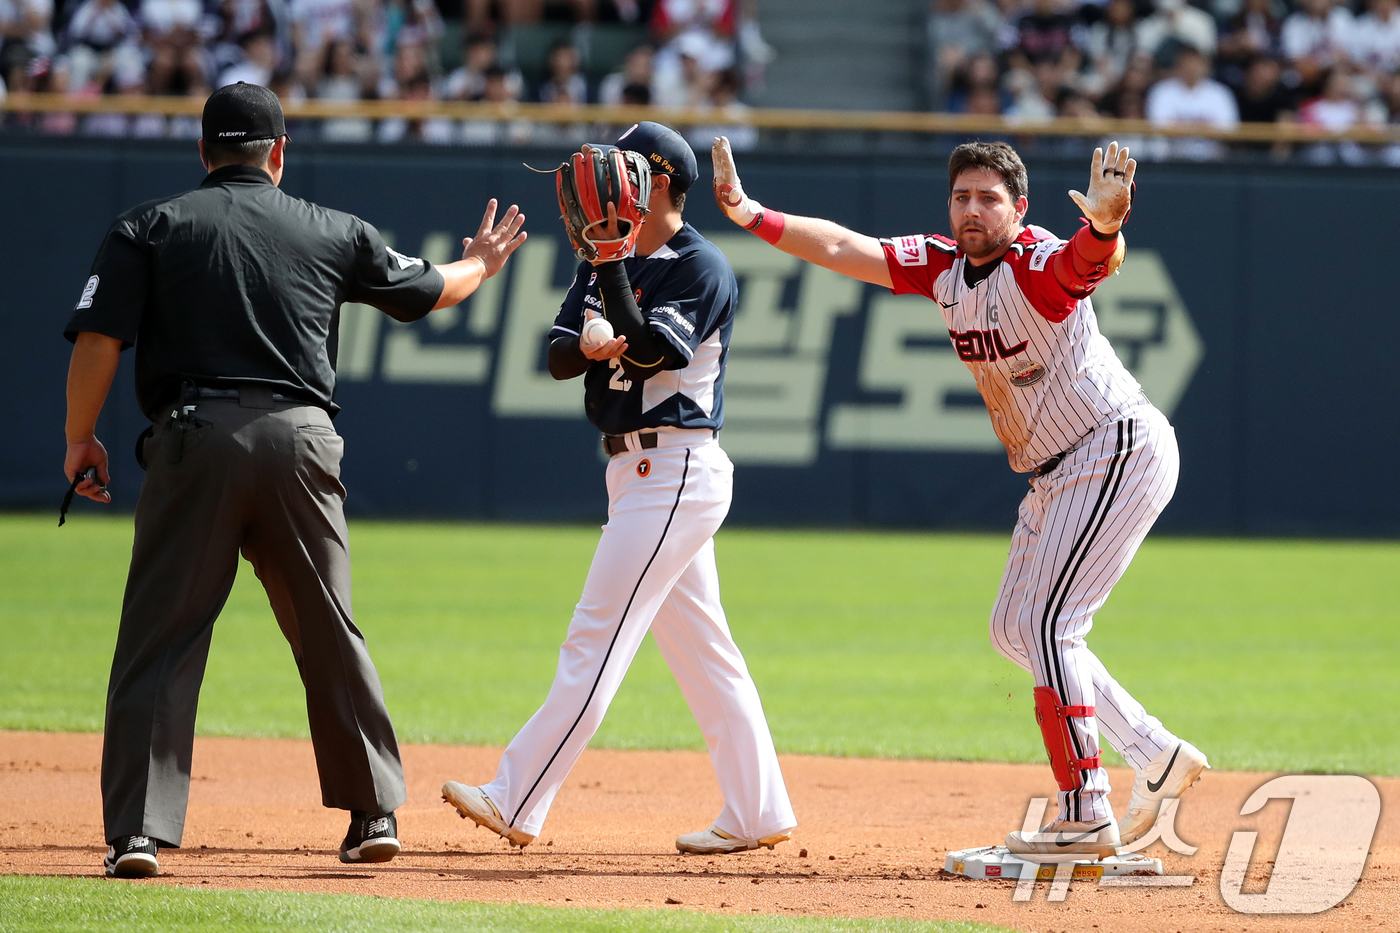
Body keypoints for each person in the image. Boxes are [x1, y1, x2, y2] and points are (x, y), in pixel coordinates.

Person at [61, 82, 527, 879]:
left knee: (161, 639)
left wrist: (80, 437)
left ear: (203, 152)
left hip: (192, 437)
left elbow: (101, 338)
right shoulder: (332, 228)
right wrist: (480, 264)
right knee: (327, 626)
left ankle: (138, 832)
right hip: (304, 445)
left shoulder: (150, 224)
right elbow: (428, 291)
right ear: (279, 154)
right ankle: (372, 810)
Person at [709, 136, 1209, 858]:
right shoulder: (944, 265)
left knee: (1047, 626)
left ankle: (1084, 811)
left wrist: (1102, 228)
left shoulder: (1034, 261)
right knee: (1017, 629)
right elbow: (848, 247)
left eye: (989, 197)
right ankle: (1157, 755)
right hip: (1059, 469)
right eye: (962, 197)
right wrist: (750, 211)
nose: (973, 209)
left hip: (1112, 448)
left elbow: (1081, 266)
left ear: (1021, 208)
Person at [442, 121, 797, 857]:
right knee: (706, 652)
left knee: (594, 639)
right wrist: (594, 320)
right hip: (635, 473)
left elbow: (655, 348)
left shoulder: (698, 265)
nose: (604, 178)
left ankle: (517, 796)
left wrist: (611, 297)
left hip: (675, 469)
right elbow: (557, 356)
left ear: (659, 181)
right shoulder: (608, 254)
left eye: (627, 165)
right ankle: (758, 808)